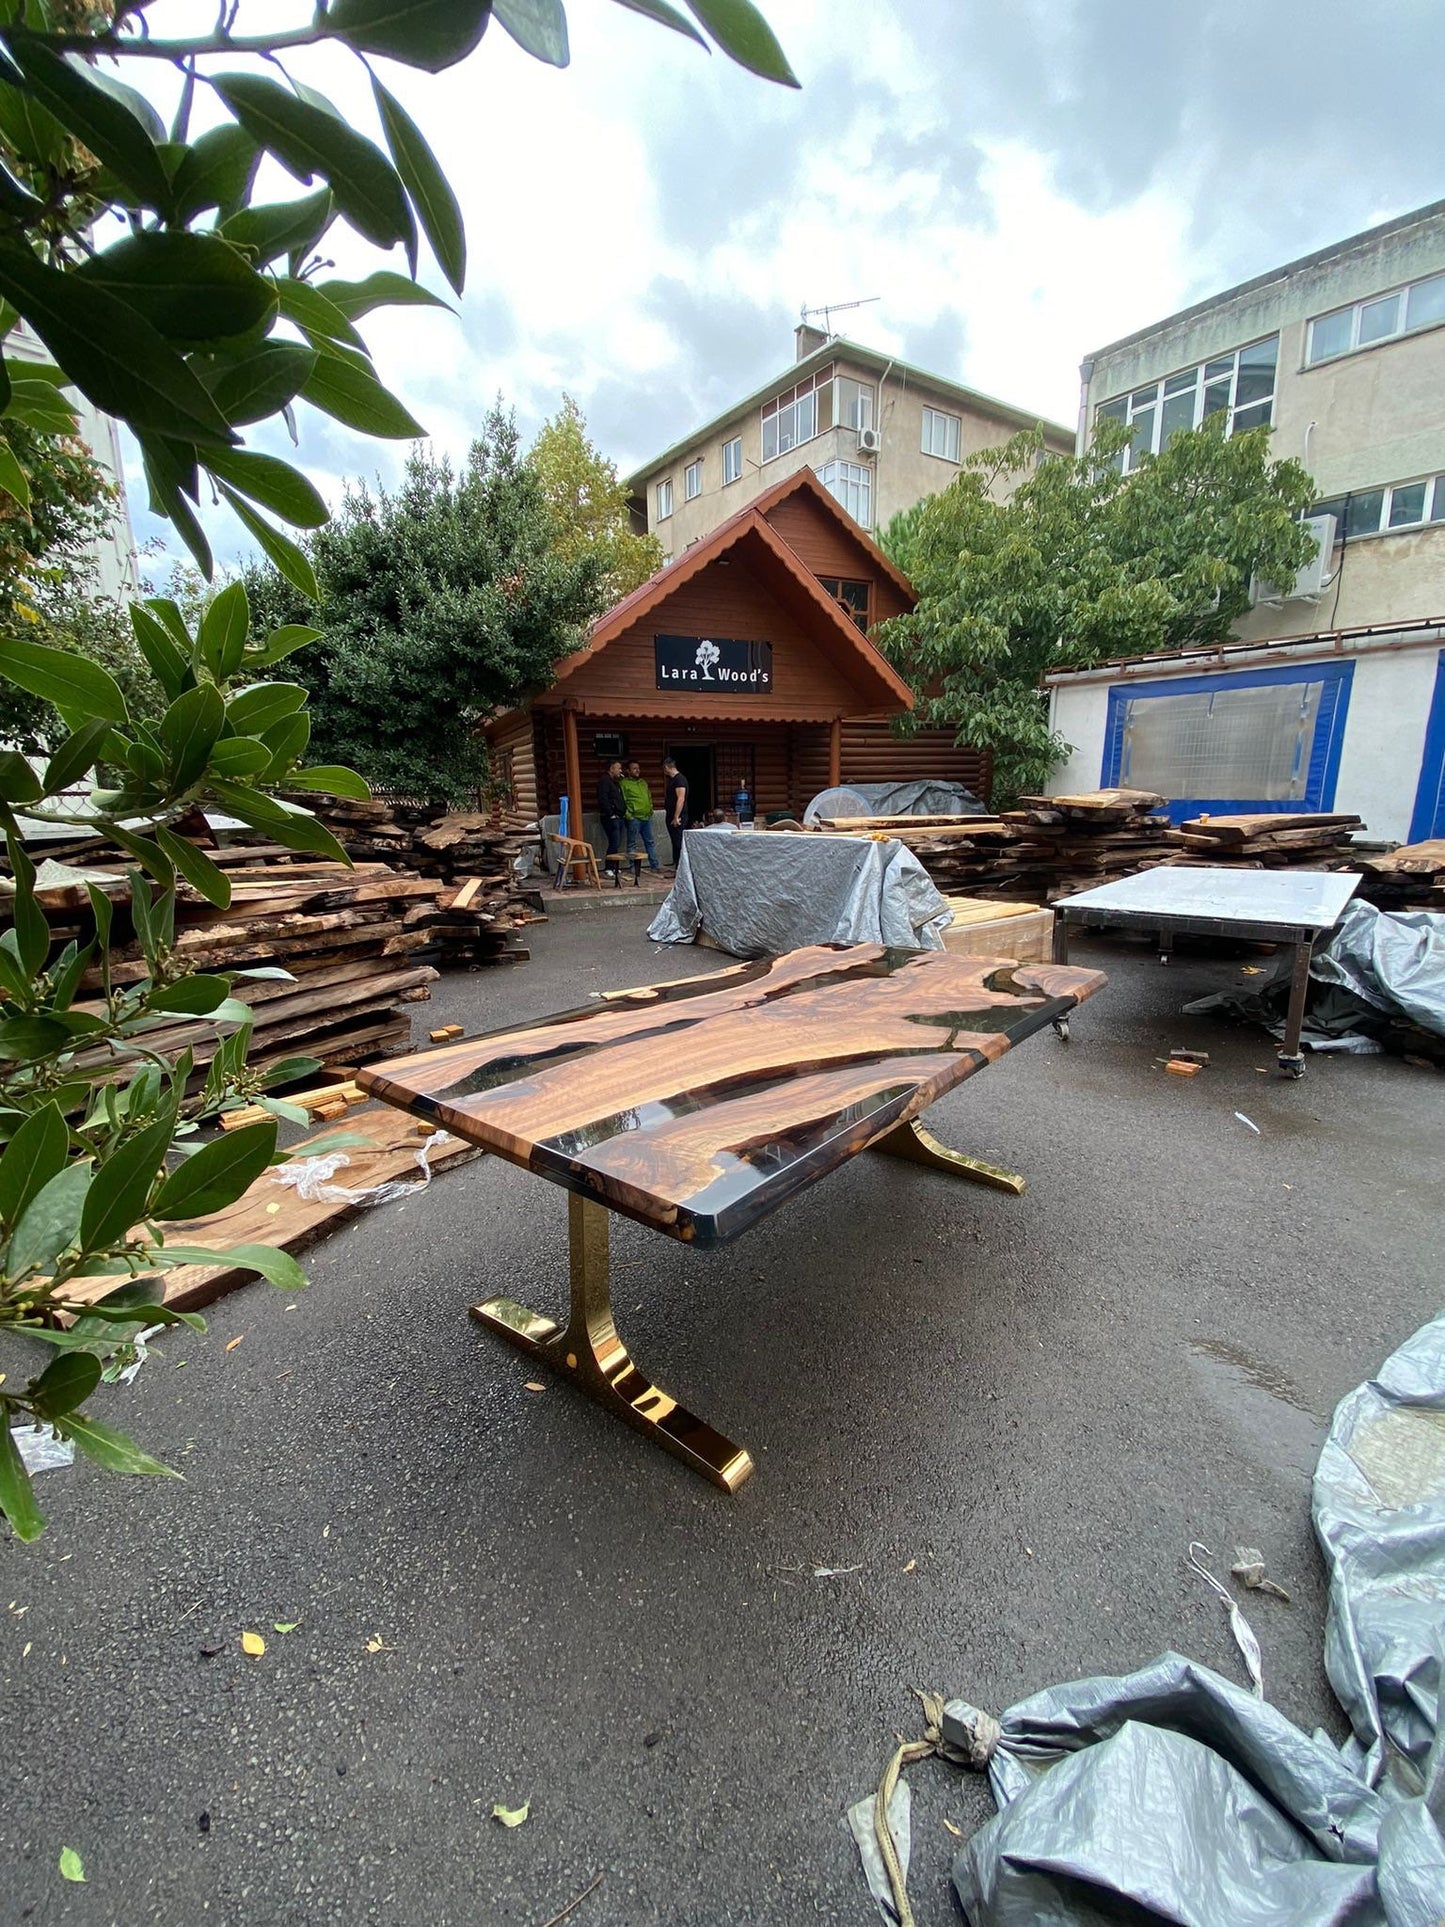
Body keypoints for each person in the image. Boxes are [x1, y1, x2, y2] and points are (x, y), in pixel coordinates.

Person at [620, 759, 662, 883]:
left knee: (650, 842)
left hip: (646, 817)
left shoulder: (643, 782)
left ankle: (655, 865)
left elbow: (649, 796)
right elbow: (623, 800)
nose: (637, 770)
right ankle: (633, 866)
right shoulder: (624, 783)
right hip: (634, 818)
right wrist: (629, 815)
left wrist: (651, 809)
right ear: (628, 771)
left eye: (638, 768)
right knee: (632, 843)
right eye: (634, 768)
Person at [597, 759, 626, 887]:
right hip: (610, 817)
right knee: (613, 842)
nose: (620, 771)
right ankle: (608, 868)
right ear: (611, 769)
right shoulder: (605, 781)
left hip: (618, 816)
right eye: (618, 768)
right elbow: (603, 799)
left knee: (617, 842)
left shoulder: (615, 782)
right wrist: (611, 813)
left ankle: (614, 867)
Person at [662, 755, 688, 869]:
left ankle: (681, 867)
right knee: (674, 841)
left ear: (667, 767)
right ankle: (677, 866)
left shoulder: (679, 779)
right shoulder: (672, 780)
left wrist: (676, 816)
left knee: (678, 842)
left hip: (678, 816)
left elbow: (680, 798)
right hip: (670, 814)